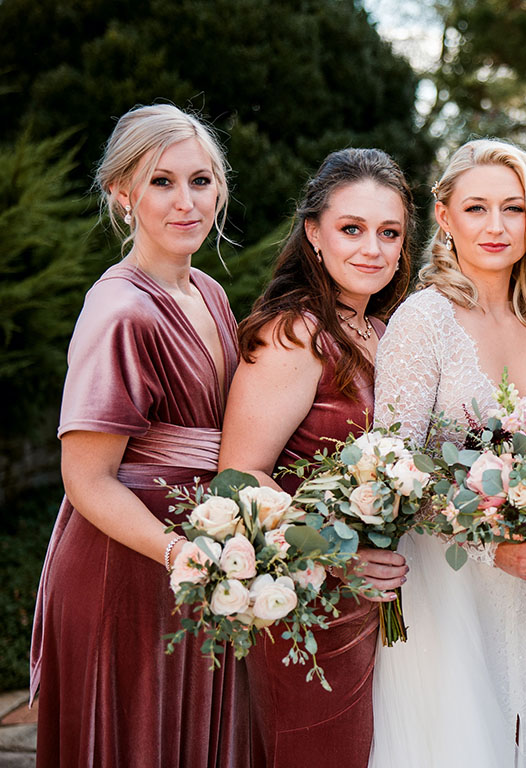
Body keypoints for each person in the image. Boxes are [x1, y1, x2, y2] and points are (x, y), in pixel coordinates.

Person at [29, 103, 249, 766]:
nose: (187, 202)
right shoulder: (121, 309)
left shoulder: (208, 292)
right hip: (127, 568)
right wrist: (182, 553)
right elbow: (85, 478)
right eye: (162, 182)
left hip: (199, 559)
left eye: (202, 180)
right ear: (121, 193)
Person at [369, 139, 526, 768]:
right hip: (449, 582)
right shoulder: (422, 321)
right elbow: (391, 475)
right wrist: (491, 545)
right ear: (446, 216)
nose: (495, 226)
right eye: (477, 208)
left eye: (513, 209)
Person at [217, 148, 414, 767]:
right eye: (351, 229)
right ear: (313, 233)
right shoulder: (293, 334)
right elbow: (237, 475)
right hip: (310, 605)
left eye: (390, 233)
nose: (372, 249)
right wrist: (338, 554)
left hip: (381, 604)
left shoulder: (384, 332)